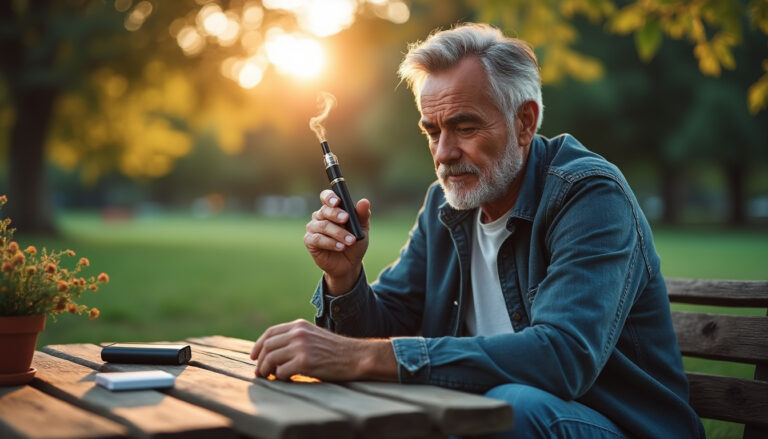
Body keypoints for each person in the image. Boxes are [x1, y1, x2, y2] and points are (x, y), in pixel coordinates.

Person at [251, 23, 705, 438]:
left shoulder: (589, 196)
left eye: (464, 126)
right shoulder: (444, 205)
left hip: (622, 426)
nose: (444, 152)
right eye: (432, 131)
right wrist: (344, 278)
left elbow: (562, 358)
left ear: (524, 122)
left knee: (512, 407)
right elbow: (386, 320)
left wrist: (369, 357)